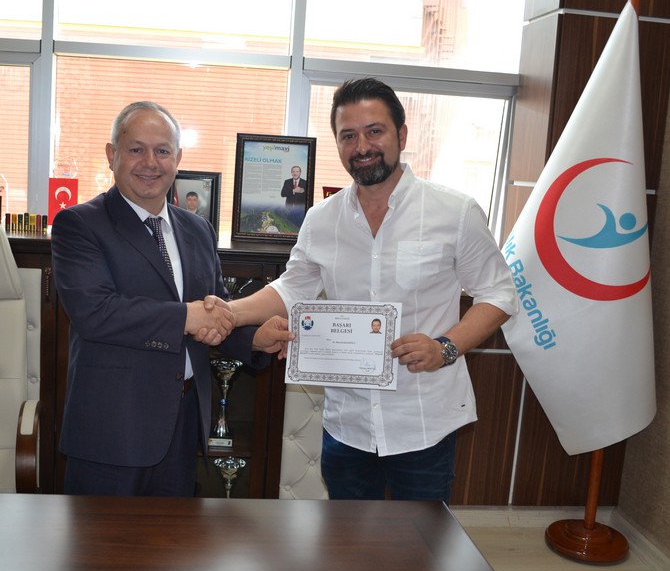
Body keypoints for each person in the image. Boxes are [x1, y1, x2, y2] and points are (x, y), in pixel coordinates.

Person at [231, 78, 517, 503]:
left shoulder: (455, 211)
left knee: (419, 541)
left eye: (374, 131)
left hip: (423, 423)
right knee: (346, 539)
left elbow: (499, 294)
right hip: (347, 425)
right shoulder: (321, 220)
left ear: (402, 135)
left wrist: (445, 348)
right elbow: (291, 289)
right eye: (348, 135)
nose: (362, 146)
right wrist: (230, 312)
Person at [51, 101, 290, 497]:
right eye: (136, 149)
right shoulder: (79, 224)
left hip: (180, 429)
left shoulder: (198, 229)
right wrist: (186, 317)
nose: (150, 162)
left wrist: (253, 340)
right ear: (112, 155)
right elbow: (95, 313)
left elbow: (213, 310)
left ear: (177, 159)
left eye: (162, 151)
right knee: (101, 540)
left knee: (172, 540)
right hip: (111, 432)